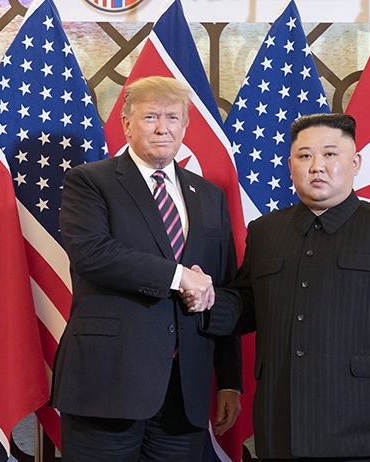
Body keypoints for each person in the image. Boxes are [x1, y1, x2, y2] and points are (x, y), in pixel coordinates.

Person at [196, 113, 370, 461]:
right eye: (305, 156)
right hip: (282, 421)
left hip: (365, 422)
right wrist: (200, 297)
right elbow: (245, 307)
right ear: (290, 166)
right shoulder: (265, 230)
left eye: (330, 154)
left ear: (355, 163)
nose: (317, 166)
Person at [50, 76, 241, 461]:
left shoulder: (209, 195)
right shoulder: (90, 181)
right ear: (126, 124)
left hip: (184, 394)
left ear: (185, 126)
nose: (162, 128)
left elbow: (221, 288)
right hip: (108, 385)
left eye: (172, 118)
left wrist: (230, 381)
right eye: (150, 116)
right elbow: (92, 253)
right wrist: (180, 277)